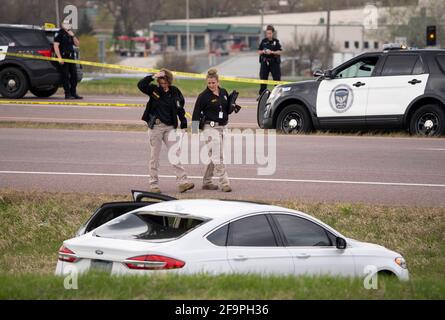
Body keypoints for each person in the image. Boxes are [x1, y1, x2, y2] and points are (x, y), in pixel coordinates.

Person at [138, 69, 194, 194]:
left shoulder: (175, 91)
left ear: (169, 80)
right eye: (160, 82)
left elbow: (180, 108)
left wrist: (183, 122)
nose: (163, 84)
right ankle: (154, 184)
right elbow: (141, 85)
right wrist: (152, 76)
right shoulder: (153, 90)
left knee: (175, 154)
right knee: (155, 157)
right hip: (156, 128)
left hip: (170, 128)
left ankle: (182, 182)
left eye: (165, 82)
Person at [192, 68, 238, 193]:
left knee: (214, 156)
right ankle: (224, 183)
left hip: (222, 127)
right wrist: (195, 131)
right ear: (207, 83)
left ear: (217, 81)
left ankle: (207, 182)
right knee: (218, 156)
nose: (211, 85)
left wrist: (233, 106)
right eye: (209, 83)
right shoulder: (203, 96)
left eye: (213, 83)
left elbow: (226, 109)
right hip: (209, 128)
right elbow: (196, 113)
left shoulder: (223, 92)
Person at [53, 21, 82, 99]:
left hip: (71, 58)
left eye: (68, 24)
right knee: (65, 76)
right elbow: (56, 46)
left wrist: (73, 36)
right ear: (62, 25)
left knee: (74, 76)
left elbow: (77, 44)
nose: (67, 25)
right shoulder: (59, 33)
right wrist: (59, 58)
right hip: (63, 57)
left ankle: (73, 93)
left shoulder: (70, 34)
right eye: (65, 23)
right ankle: (67, 94)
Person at [258, 25, 283, 96]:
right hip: (265, 62)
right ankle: (262, 95)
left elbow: (280, 52)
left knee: (277, 79)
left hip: (274, 62)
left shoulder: (276, 42)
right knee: (263, 79)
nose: (268, 35)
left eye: (270, 33)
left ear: (272, 33)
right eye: (267, 33)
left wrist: (272, 52)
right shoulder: (263, 41)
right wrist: (264, 51)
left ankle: (277, 95)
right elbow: (259, 51)